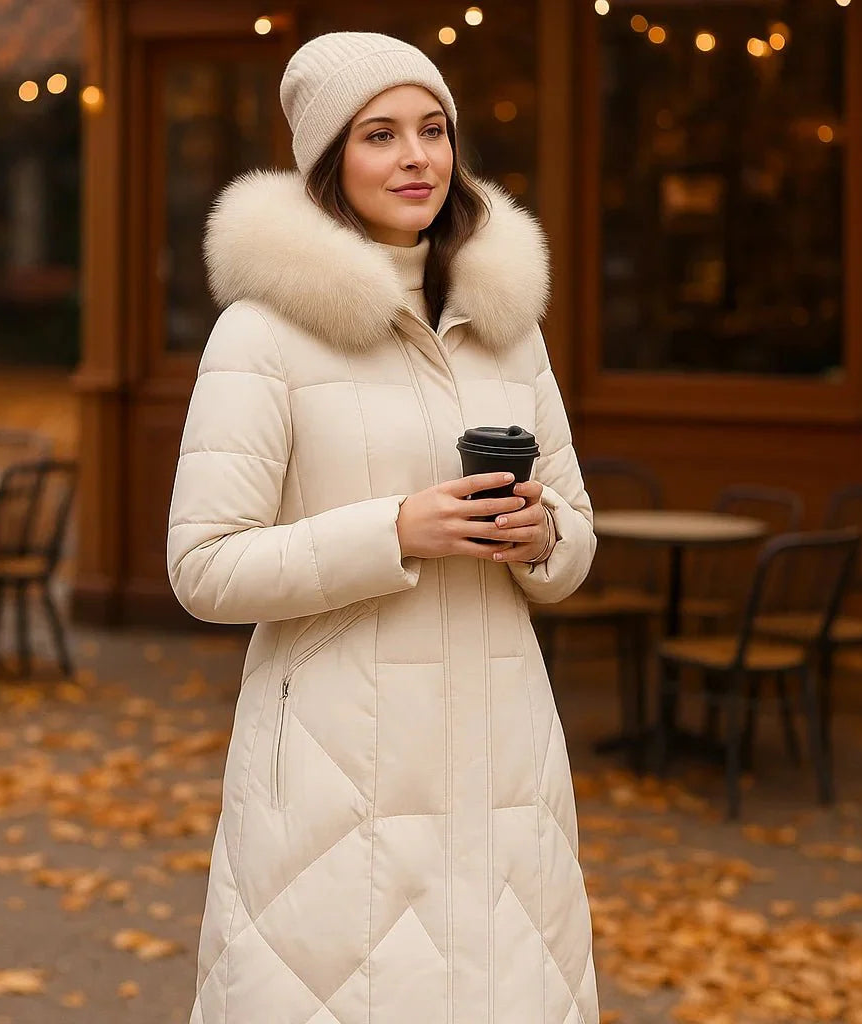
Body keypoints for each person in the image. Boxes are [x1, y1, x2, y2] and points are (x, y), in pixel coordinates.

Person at [167, 30, 598, 1024]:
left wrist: (540, 539)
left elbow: (575, 538)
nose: (416, 157)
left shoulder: (505, 321)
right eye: (379, 134)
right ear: (329, 161)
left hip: (500, 767)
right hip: (333, 777)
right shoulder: (264, 330)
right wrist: (395, 531)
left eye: (433, 129)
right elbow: (202, 565)